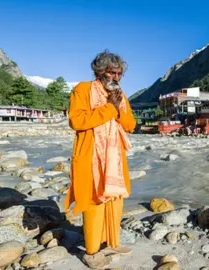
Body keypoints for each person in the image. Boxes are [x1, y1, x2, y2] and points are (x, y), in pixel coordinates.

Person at [65, 50, 136, 269]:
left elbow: (130, 125)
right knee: (94, 201)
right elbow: (76, 121)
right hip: (91, 156)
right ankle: (93, 251)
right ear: (99, 71)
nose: (116, 77)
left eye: (119, 74)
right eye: (112, 73)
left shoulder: (119, 95)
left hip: (114, 158)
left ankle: (111, 243)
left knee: (114, 201)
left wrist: (118, 106)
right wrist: (109, 108)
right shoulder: (83, 89)